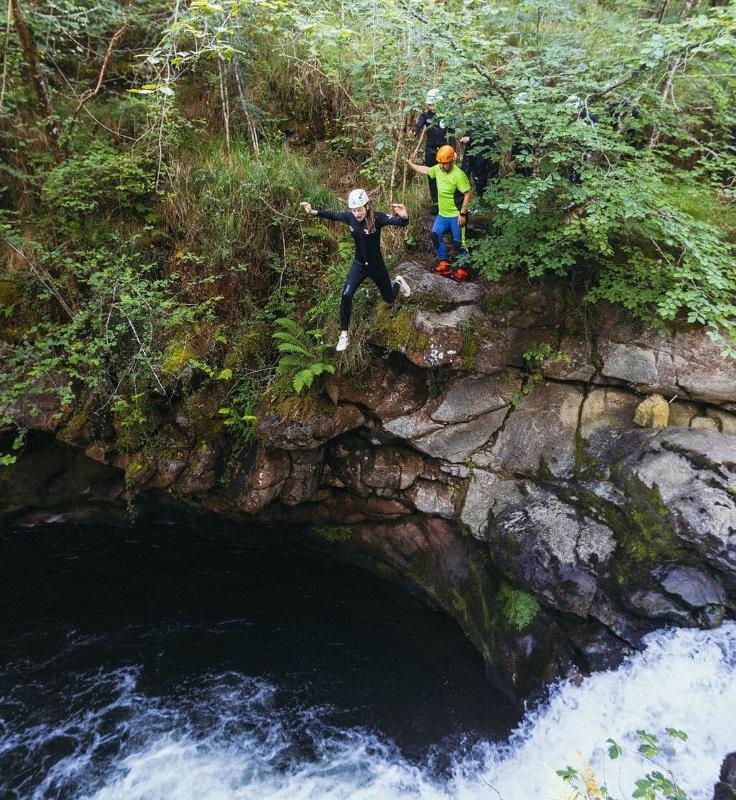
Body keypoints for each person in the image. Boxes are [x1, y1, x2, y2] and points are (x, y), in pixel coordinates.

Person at [300, 189, 411, 352]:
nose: (356, 213)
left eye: (359, 209)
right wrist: (312, 211)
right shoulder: (349, 217)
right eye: (354, 210)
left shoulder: (377, 218)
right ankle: (344, 334)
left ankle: (398, 282)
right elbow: (332, 215)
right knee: (346, 294)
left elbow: (401, 224)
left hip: (376, 266)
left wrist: (404, 216)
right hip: (359, 265)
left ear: (366, 206)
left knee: (389, 299)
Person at [406, 145, 472, 281]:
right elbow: (426, 170)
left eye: (445, 164)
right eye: (440, 163)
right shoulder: (438, 169)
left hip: (456, 214)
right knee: (435, 235)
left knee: (459, 242)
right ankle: (444, 262)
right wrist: (412, 165)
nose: (442, 166)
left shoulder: (459, 175)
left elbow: (468, 194)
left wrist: (463, 213)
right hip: (443, 214)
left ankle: (463, 269)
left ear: (451, 161)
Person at [412, 88, 454, 214]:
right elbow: (419, 124)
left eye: (434, 104)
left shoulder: (447, 116)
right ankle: (436, 202)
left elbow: (451, 134)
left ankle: (447, 200)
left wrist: (453, 149)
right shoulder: (426, 115)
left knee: (446, 174)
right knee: (432, 175)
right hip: (430, 150)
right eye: (430, 105)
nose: (432, 107)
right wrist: (414, 131)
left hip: (444, 150)